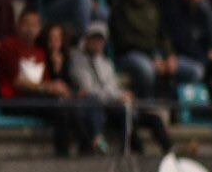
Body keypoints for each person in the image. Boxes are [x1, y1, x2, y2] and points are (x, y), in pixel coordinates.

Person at [69, 23, 172, 154]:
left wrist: (124, 94)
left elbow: (112, 86)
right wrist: (116, 96)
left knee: (150, 117)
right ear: (87, 39)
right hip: (94, 108)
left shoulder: (106, 64)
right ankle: (104, 143)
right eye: (94, 39)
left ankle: (169, 150)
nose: (97, 43)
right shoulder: (78, 62)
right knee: (102, 104)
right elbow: (88, 89)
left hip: (112, 105)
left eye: (100, 39)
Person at [0, 10, 86, 155]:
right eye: (26, 24)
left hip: (35, 98)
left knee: (69, 104)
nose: (31, 28)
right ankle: (72, 151)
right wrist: (48, 87)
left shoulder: (39, 52)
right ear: (18, 26)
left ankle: (84, 146)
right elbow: (17, 82)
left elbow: (46, 82)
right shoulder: (8, 46)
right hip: (13, 99)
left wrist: (58, 85)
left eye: (35, 25)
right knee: (59, 106)